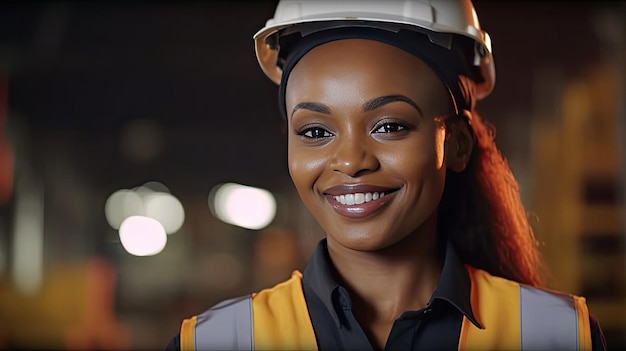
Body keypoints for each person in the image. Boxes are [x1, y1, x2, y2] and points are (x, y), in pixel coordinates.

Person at [167, 1, 607, 350]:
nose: (350, 160)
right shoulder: (215, 341)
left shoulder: (558, 335)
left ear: (456, 144)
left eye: (389, 126)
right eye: (315, 131)